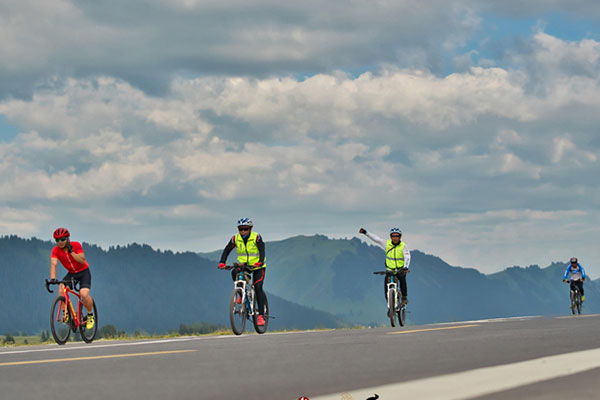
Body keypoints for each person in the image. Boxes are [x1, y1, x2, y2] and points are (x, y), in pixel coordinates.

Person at [218, 218, 267, 326]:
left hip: (258, 266)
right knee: (234, 273)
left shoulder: (256, 237)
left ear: (250, 229)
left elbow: (262, 249)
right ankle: (241, 292)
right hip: (244, 266)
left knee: (258, 287)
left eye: (245, 229)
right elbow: (227, 250)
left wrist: (260, 261)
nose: (243, 231)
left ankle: (261, 316)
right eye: (241, 229)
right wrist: (222, 262)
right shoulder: (235, 239)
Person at [48, 227, 95, 329]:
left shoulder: (76, 245)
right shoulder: (55, 250)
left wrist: (72, 252)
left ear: (68, 238)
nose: (60, 242)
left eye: (62, 239)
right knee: (61, 287)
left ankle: (90, 315)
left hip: (84, 272)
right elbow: (53, 264)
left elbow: (82, 260)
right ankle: (66, 313)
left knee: (83, 294)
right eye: (57, 240)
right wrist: (53, 278)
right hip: (72, 273)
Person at [359, 227, 411, 305]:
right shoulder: (387, 243)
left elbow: (407, 256)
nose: (395, 238)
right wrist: (366, 233)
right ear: (390, 237)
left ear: (400, 237)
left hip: (400, 269)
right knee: (386, 289)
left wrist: (405, 267)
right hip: (390, 269)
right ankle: (390, 307)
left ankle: (404, 297)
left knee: (402, 280)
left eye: (397, 236)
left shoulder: (403, 246)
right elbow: (377, 239)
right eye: (393, 236)